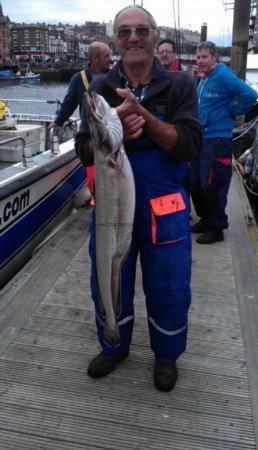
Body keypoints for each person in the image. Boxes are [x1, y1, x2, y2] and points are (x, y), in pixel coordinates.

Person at [75, 5, 201, 392]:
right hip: (113, 203)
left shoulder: (180, 85)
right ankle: (114, 344)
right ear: (115, 40)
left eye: (142, 30)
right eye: (125, 31)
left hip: (165, 206)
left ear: (153, 34)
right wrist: (112, 136)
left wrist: (142, 116)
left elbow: (189, 146)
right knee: (109, 277)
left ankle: (166, 356)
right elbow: (82, 147)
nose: (133, 37)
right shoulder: (98, 88)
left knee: (170, 284)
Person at [189, 41, 258, 244]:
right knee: (195, 182)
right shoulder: (205, 77)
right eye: (198, 57)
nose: (200, 61)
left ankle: (216, 227)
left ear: (214, 58)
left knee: (212, 184)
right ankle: (205, 218)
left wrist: (234, 111)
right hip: (202, 138)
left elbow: (250, 94)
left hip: (217, 140)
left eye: (204, 57)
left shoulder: (222, 74)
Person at [49, 42, 112, 129]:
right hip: (89, 132)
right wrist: (58, 122)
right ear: (95, 58)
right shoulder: (79, 79)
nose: (111, 59)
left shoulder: (114, 76)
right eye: (107, 56)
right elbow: (69, 104)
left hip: (112, 130)